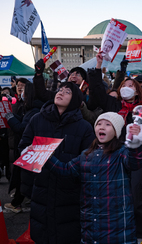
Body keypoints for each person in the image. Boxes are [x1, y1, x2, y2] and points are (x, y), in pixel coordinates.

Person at [89, 52, 142, 244]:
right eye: (123, 86)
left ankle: (141, 235)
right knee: (114, 197)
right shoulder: (113, 106)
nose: (126, 89)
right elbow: (96, 91)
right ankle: (118, 231)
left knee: (136, 198)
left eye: (131, 86)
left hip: (136, 159)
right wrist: (98, 65)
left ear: (138, 91)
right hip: (112, 157)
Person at [43, 112, 142, 243]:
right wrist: (44, 156)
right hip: (91, 227)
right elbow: (66, 170)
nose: (102, 127)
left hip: (118, 227)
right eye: (99, 124)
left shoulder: (122, 153)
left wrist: (135, 145)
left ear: (116, 132)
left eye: (108, 124)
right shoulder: (86, 155)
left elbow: (135, 162)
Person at [18, 82, 95, 244]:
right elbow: (23, 146)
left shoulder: (84, 127)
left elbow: (88, 159)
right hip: (41, 186)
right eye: (60, 90)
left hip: (69, 191)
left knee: (66, 234)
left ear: (75, 100)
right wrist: (34, 154)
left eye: (67, 92)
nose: (61, 93)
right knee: (42, 233)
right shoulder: (37, 119)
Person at [4, 82, 44, 213]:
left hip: (29, 149)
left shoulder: (34, 110)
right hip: (27, 148)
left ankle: (17, 203)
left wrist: (10, 118)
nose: (21, 92)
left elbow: (22, 128)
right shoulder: (31, 108)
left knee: (24, 177)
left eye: (23, 90)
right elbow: (23, 121)